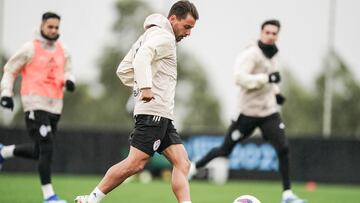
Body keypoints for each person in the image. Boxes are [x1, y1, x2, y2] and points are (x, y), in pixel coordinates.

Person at [74, 1, 198, 203]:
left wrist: (144, 82)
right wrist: (147, 87)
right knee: (135, 164)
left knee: (182, 163)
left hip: (161, 113)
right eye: (187, 27)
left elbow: (123, 70)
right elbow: (141, 59)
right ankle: (91, 199)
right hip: (154, 112)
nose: (189, 33)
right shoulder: (164, 37)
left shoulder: (149, 35)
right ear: (173, 19)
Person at [188, 20, 307, 203]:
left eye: (274, 33)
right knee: (224, 150)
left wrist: (276, 93)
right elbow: (239, 78)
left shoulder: (274, 55)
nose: (271, 36)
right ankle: (194, 167)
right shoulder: (251, 54)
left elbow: (272, 80)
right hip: (247, 112)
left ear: (278, 36)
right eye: (267, 32)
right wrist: (266, 78)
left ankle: (287, 194)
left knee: (283, 148)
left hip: (268, 112)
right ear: (261, 33)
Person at [0, 12, 75, 203]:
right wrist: (6, 94)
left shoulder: (63, 50)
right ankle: (49, 196)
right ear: (42, 26)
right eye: (50, 27)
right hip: (34, 104)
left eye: (57, 27)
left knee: (40, 150)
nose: (53, 30)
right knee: (47, 147)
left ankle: (3, 152)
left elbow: (68, 71)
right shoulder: (29, 48)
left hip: (55, 107)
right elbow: (10, 70)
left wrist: (69, 80)